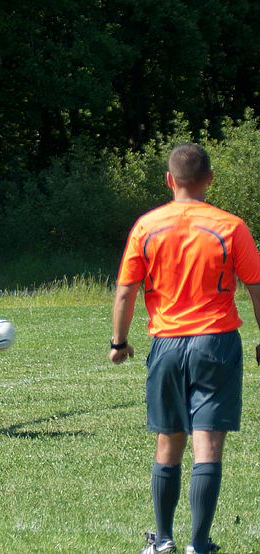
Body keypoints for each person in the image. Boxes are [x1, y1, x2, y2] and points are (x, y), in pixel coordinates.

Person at [109, 143, 260, 554]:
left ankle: (163, 540)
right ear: (210, 178)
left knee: (168, 441)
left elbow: (126, 292)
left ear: (169, 180)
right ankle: (198, 543)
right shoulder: (231, 226)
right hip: (217, 342)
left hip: (167, 345)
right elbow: (257, 288)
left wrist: (119, 343)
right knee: (207, 445)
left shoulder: (146, 225)